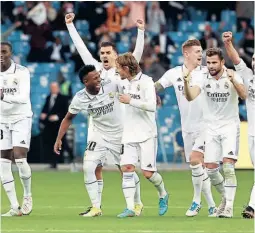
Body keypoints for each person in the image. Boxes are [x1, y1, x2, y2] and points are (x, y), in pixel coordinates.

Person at [65, 13, 145, 216]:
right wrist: (70, 25)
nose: (104, 56)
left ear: (115, 54)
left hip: (119, 128)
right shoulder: (95, 70)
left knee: (124, 168)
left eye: (108, 52)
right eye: (102, 53)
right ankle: (96, 206)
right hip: (97, 129)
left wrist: (141, 32)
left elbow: (135, 58)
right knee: (91, 167)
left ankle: (137, 202)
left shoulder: (120, 73)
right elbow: (81, 48)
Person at [155, 39, 217, 217]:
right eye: (197, 51)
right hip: (187, 127)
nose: (201, 54)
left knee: (196, 160)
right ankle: (212, 205)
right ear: (186, 53)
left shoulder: (207, 72)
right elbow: (156, 86)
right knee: (196, 167)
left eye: (201, 51)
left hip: (206, 125)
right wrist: (153, 92)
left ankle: (196, 202)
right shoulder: (173, 73)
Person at [184, 48, 247, 218]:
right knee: (211, 169)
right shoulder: (202, 76)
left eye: (214, 63)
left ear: (222, 62)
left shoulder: (231, 74)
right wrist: (185, 83)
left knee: (228, 166)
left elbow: (244, 95)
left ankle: (229, 208)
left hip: (229, 127)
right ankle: (226, 199)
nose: (210, 66)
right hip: (210, 128)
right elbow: (191, 96)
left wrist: (234, 81)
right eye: (208, 62)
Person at [115, 53, 169, 218]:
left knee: (148, 173)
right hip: (129, 134)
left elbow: (152, 106)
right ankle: (130, 207)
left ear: (126, 68)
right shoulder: (124, 83)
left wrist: (130, 101)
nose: (117, 72)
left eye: (119, 68)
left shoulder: (146, 81)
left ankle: (163, 194)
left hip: (146, 134)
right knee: (127, 169)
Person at [222, 31, 255, 219]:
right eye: (254, 59)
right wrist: (228, 44)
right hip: (252, 135)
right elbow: (236, 61)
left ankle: (251, 207)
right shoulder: (249, 77)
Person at [0, 42, 33, 216]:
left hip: (21, 117)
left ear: (10, 53)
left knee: (20, 158)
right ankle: (14, 207)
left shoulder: (21, 71)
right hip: (2, 121)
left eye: (4, 52)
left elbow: (23, 97)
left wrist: (3, 95)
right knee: (3, 163)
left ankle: (27, 195)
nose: (1, 55)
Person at [40, 82, 69, 169]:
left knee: (64, 144)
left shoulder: (63, 98)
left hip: (59, 125)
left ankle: (71, 159)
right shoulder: (48, 98)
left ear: (58, 88)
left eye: (54, 87)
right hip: (49, 126)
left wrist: (57, 117)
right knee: (50, 144)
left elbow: (65, 112)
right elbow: (46, 109)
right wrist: (44, 114)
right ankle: (53, 163)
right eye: (51, 87)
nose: (53, 89)